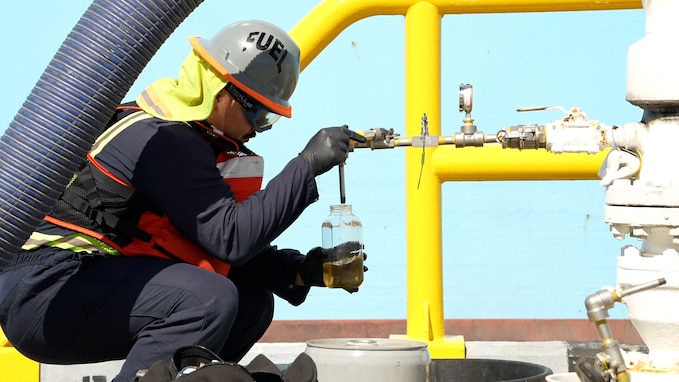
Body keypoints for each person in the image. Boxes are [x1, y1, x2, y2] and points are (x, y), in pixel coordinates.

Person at [0, 20, 366, 382]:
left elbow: (215, 242)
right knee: (208, 299)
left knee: (250, 304)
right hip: (46, 290)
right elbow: (232, 238)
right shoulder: (164, 138)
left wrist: (300, 271)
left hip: (79, 286)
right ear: (221, 90)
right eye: (259, 113)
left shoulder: (188, 136)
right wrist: (305, 166)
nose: (258, 128)